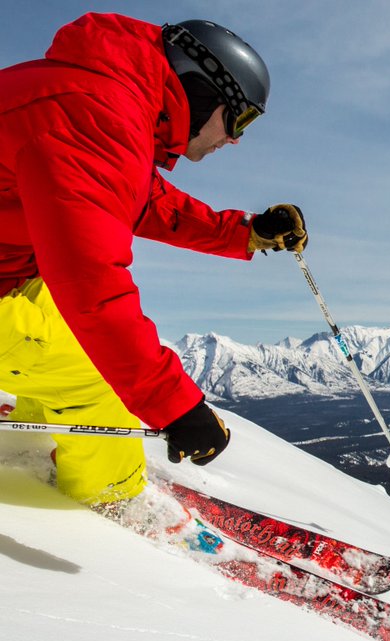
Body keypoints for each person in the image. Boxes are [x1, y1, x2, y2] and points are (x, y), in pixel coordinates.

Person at [0, 13, 308, 506]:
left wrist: (246, 233)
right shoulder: (96, 119)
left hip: (11, 272)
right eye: (240, 119)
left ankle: (34, 440)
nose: (235, 139)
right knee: (101, 378)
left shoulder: (96, 99)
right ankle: (109, 507)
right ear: (202, 89)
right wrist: (174, 406)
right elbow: (93, 287)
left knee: (61, 329)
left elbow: (142, 201)